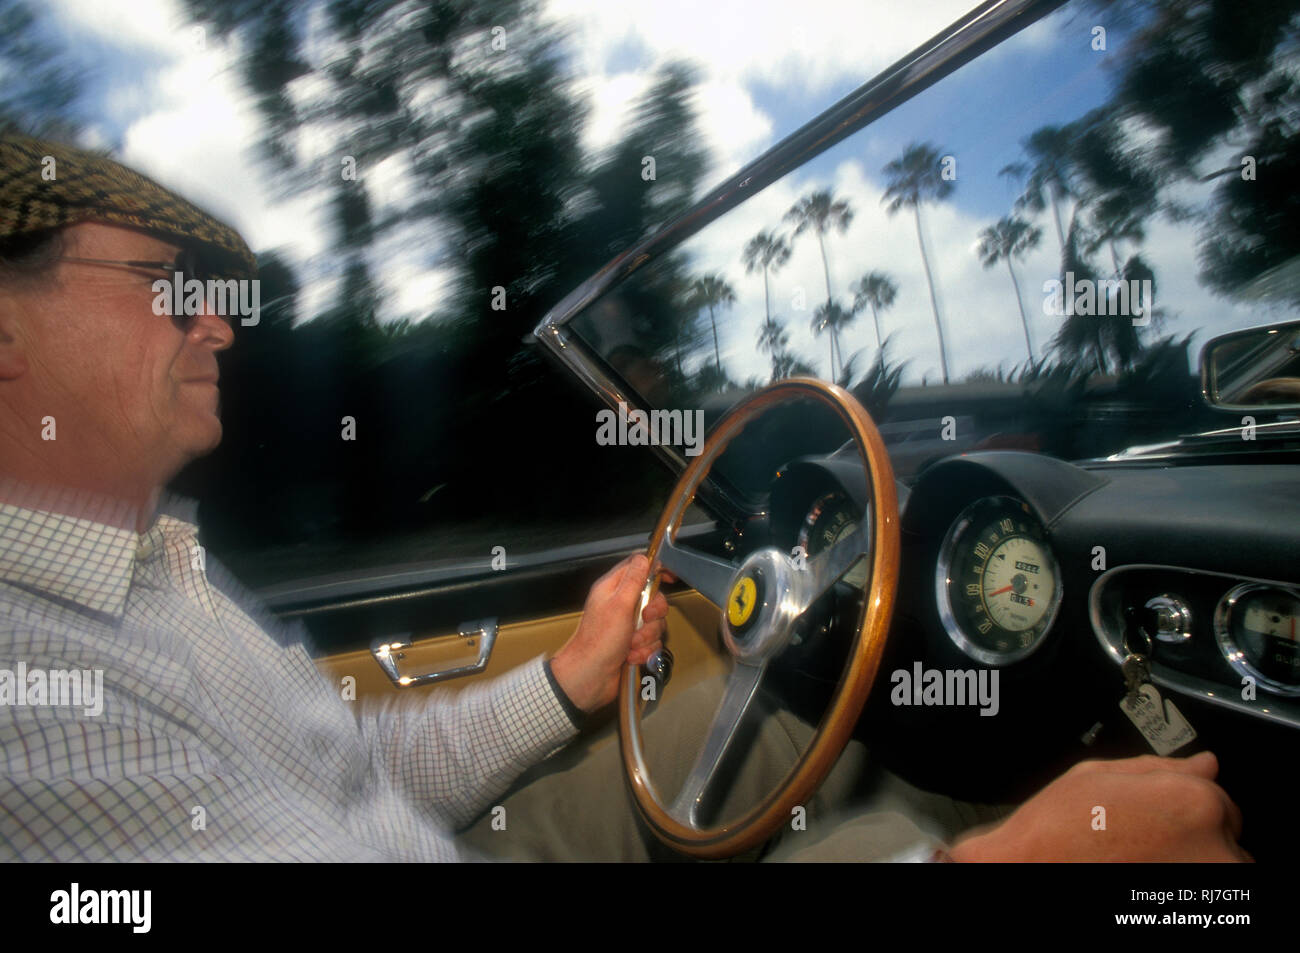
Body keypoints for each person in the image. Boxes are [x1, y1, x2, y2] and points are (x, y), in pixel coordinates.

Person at [0, 134, 1250, 862]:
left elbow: (357, 764)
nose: (216, 318)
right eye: (164, 281)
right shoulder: (31, 697)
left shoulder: (159, 569)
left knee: (808, 732)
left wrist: (568, 678)